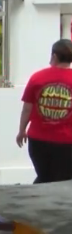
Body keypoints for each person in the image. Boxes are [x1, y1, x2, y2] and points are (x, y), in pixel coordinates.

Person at [17, 38, 72, 183]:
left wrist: (21, 130)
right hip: (68, 142)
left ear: (54, 56)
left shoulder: (37, 78)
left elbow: (27, 109)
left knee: (45, 177)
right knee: (65, 180)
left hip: (39, 141)